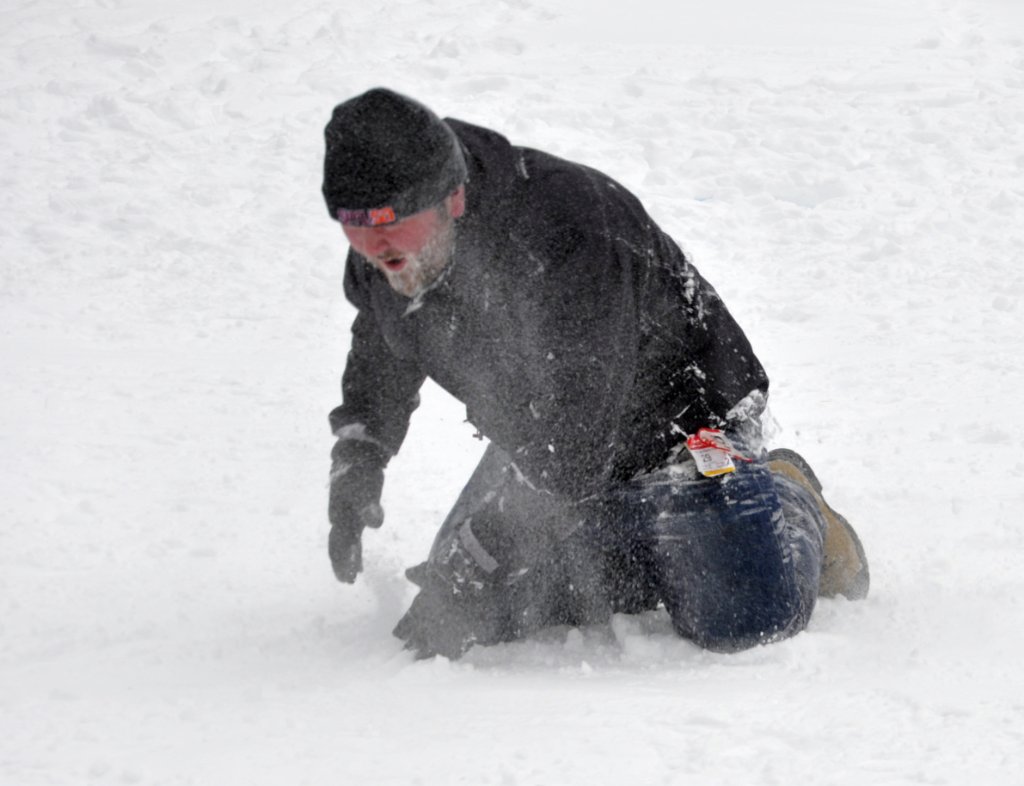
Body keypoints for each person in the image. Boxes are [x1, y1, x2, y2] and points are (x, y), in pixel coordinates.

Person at [321, 87, 869, 659]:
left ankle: (786, 493)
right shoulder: (391, 252)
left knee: (745, 617)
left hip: (680, 429)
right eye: (352, 222)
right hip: (544, 447)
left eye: (388, 221)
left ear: (452, 198)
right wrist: (361, 456)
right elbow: (383, 342)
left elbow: (576, 439)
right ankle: (647, 545)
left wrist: (479, 554)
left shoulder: (570, 230)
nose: (372, 242)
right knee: (476, 616)